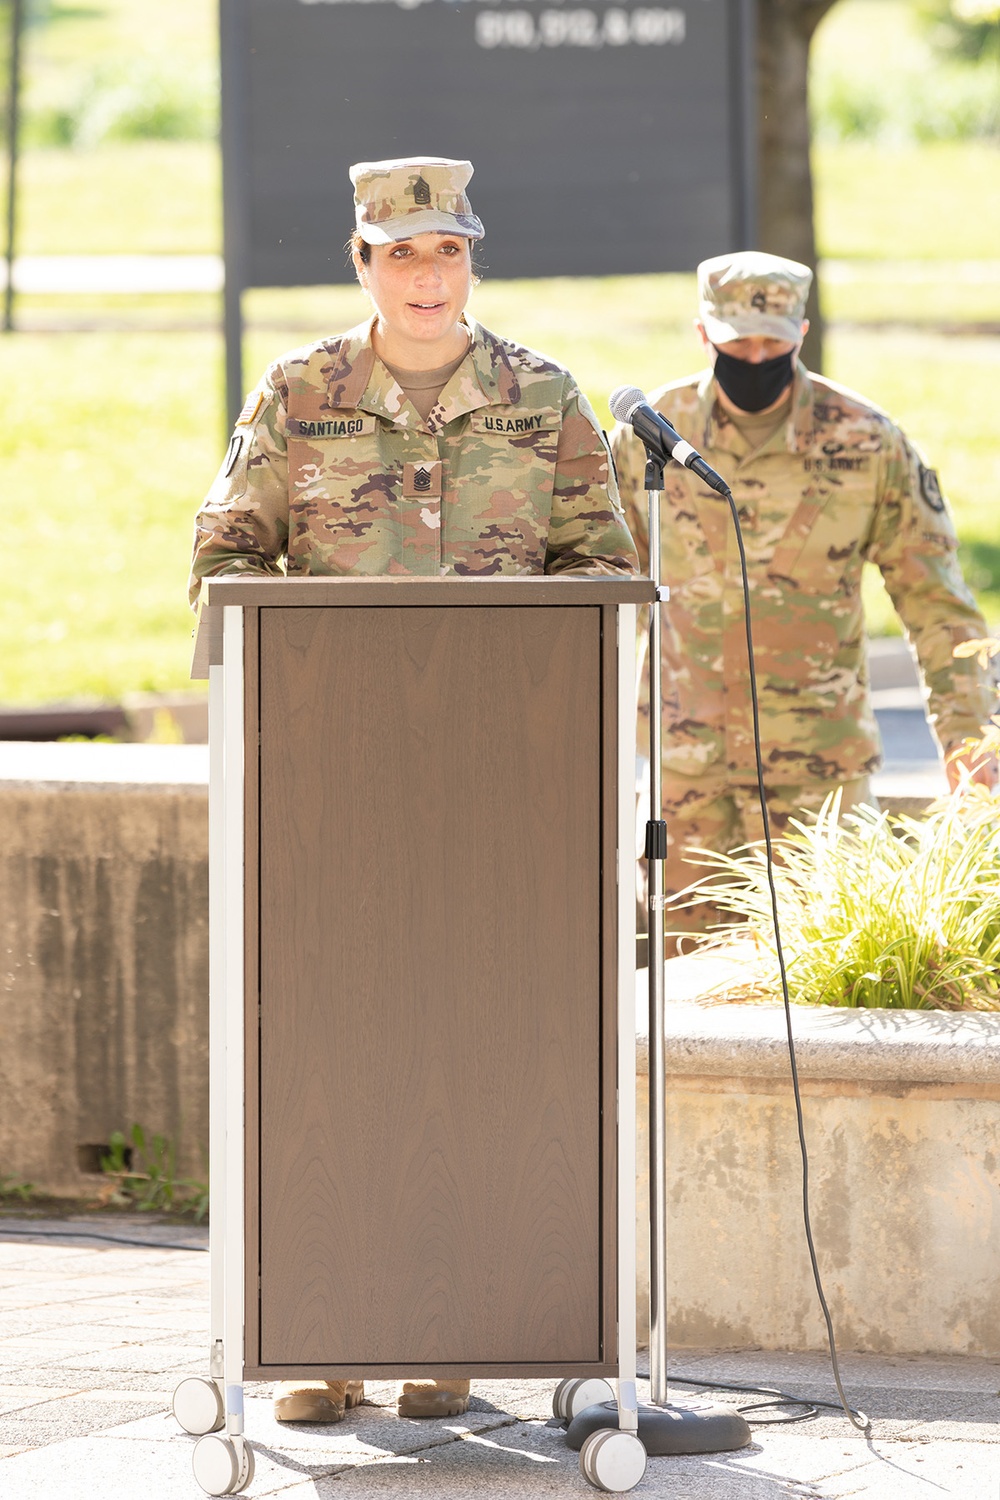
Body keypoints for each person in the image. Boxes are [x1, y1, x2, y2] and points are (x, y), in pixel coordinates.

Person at [189, 156, 638, 1425]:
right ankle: (324, 1347)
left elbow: (602, 564)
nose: (425, 277)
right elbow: (227, 552)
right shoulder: (300, 393)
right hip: (329, 791)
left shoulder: (541, 396)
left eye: (446, 253)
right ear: (361, 263)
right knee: (333, 1058)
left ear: (472, 260)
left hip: (507, 789)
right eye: (400, 255)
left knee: (483, 1047)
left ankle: (451, 1332)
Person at [611, 250, 997, 945]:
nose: (755, 358)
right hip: (685, 777)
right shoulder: (649, 438)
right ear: (704, 335)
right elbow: (604, 594)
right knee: (680, 1003)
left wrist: (969, 742)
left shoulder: (867, 443)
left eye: (773, 344)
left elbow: (938, 605)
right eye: (737, 344)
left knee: (829, 991)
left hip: (821, 778)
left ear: (802, 333)